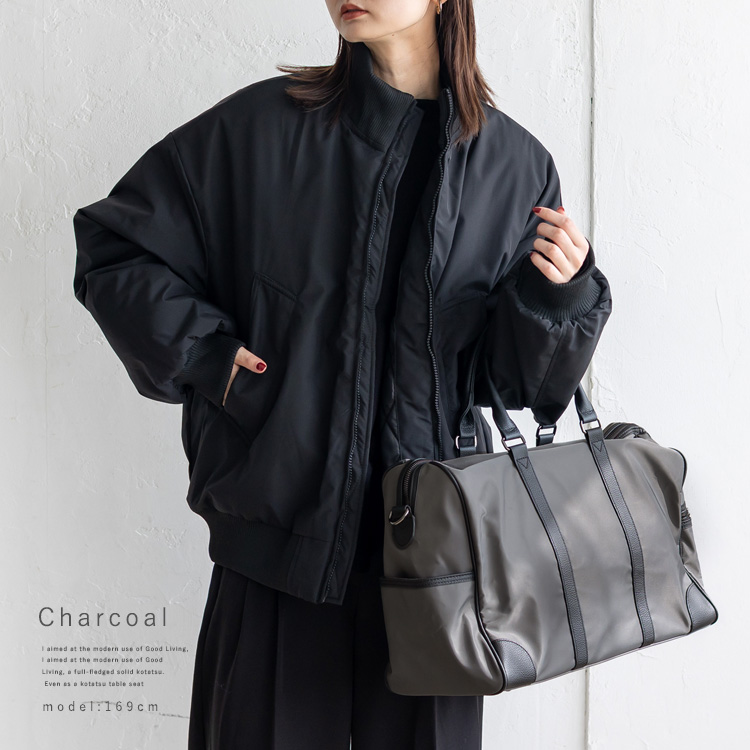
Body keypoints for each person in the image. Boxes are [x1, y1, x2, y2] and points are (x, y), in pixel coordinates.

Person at [72, 1, 612, 747]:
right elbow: (117, 247)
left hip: (440, 576)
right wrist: (211, 360)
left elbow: (512, 385)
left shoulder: (515, 166)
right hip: (278, 554)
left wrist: (561, 297)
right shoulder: (261, 129)